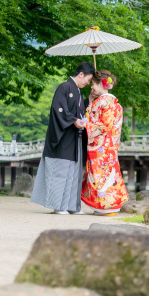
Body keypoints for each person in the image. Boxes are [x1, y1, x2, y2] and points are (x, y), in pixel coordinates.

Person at [31, 62, 94, 214]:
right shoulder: (64, 87)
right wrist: (73, 120)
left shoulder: (78, 92)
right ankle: (59, 206)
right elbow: (58, 109)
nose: (88, 83)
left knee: (73, 174)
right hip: (63, 138)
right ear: (81, 74)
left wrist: (90, 101)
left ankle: (71, 206)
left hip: (74, 139)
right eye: (88, 79)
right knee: (61, 173)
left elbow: (79, 112)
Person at [81, 70, 129, 216]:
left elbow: (104, 125)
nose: (92, 87)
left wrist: (86, 125)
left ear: (101, 84)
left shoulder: (105, 102)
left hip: (102, 147)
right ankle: (104, 207)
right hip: (108, 146)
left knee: (102, 177)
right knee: (105, 177)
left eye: (94, 84)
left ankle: (107, 207)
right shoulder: (110, 102)